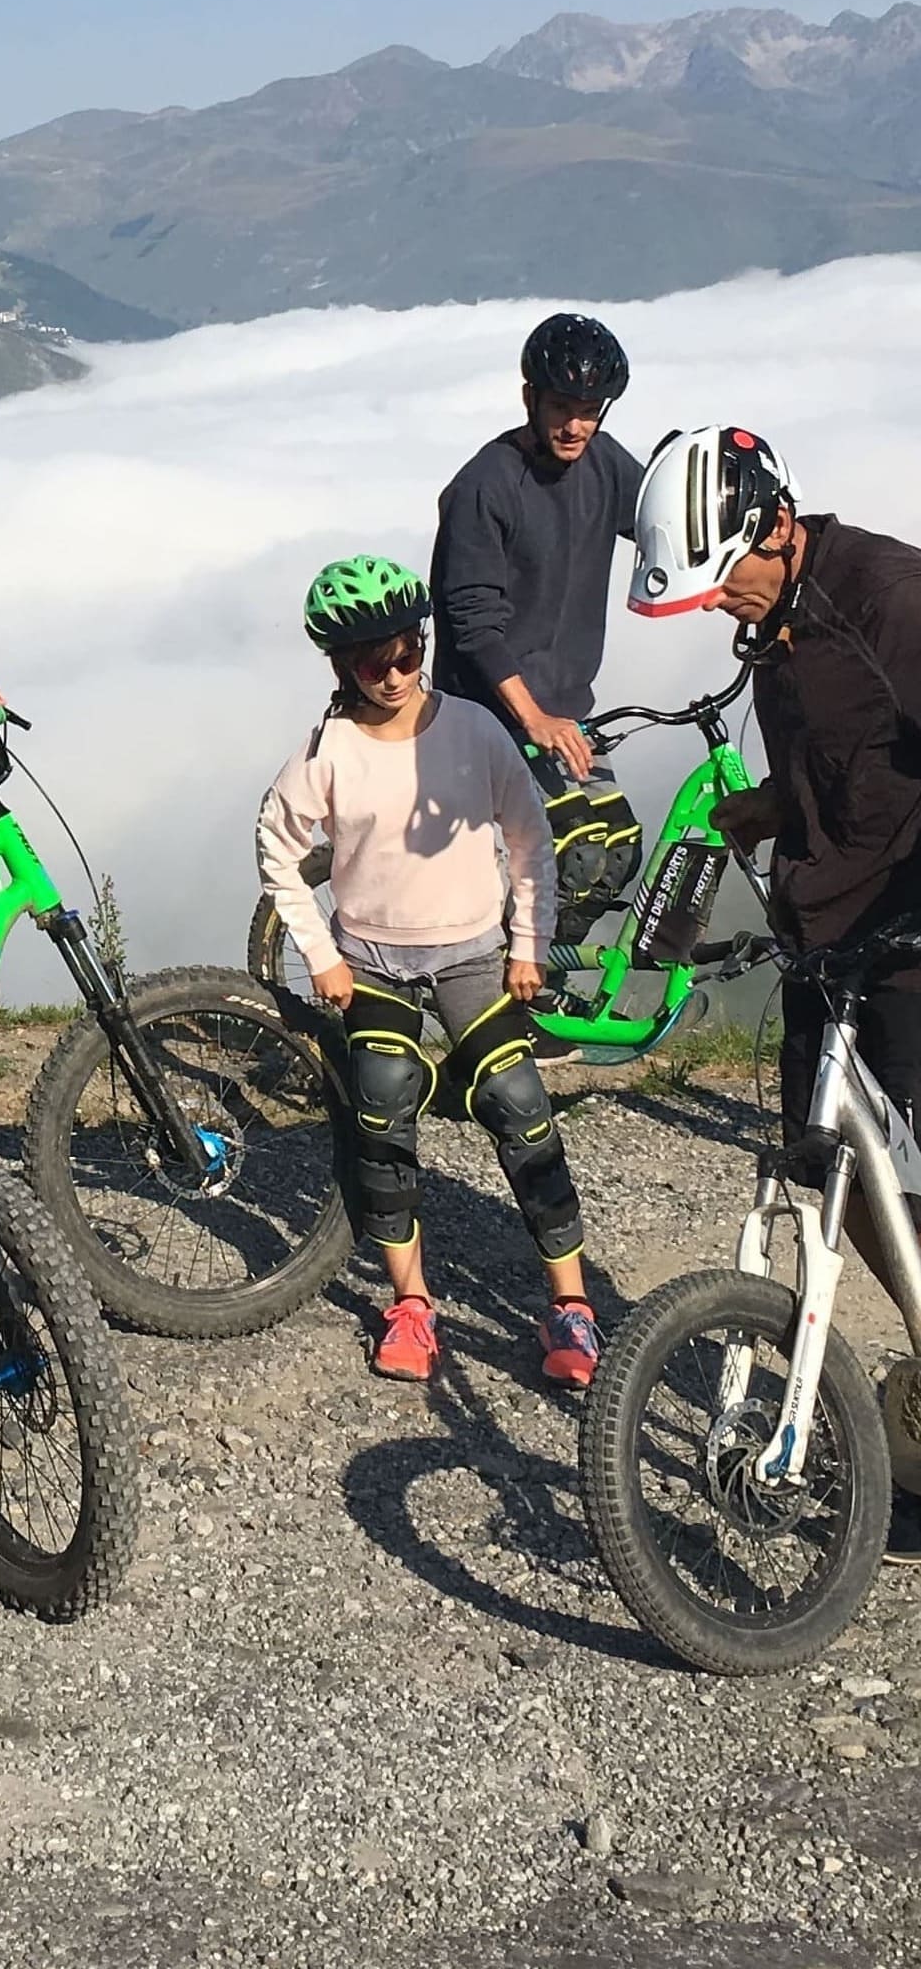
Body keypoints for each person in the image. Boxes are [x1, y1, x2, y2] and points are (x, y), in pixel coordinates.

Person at [631, 425, 921, 1536]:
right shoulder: (783, 621)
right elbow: (847, 772)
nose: (718, 606)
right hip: (825, 950)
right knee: (838, 1168)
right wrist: (766, 812)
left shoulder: (893, 600)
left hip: (907, 957)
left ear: (777, 525)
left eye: (724, 582)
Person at [255, 556, 600, 1389]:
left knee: (521, 1114)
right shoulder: (324, 751)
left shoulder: (475, 729)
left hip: (474, 953)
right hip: (372, 959)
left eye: (408, 649)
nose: (397, 672)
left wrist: (528, 943)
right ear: (342, 666)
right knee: (382, 1126)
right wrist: (322, 955)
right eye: (374, 660)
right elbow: (276, 846)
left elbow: (528, 838)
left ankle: (573, 1305)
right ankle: (411, 1303)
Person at [431, 313, 647, 976]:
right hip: (491, 713)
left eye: (590, 410)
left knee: (621, 853)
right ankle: (506, 991)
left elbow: (659, 521)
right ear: (530, 396)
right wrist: (535, 719)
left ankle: (532, 968)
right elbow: (472, 625)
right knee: (577, 851)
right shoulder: (485, 487)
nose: (576, 425)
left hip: (562, 711)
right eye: (562, 406)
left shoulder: (604, 464)